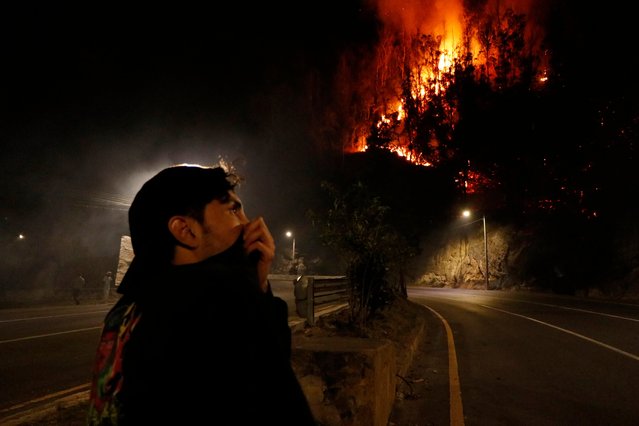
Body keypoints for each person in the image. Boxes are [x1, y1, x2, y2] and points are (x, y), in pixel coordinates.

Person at [86, 164, 315, 425]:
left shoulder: (125, 313)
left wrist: (258, 284)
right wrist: (253, 295)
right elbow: (279, 403)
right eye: (233, 209)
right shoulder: (221, 301)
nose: (250, 224)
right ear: (185, 230)